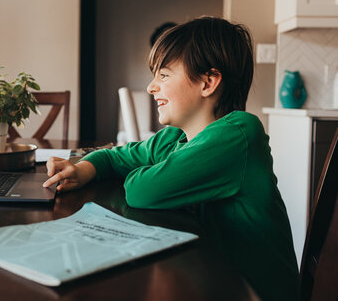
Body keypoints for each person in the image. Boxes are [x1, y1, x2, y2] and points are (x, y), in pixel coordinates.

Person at [43, 17, 299, 301]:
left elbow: (142, 191)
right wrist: (86, 169)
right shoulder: (175, 137)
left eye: (163, 75)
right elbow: (119, 155)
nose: (152, 87)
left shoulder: (239, 134)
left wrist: (142, 169)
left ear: (208, 82)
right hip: (214, 277)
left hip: (255, 291)